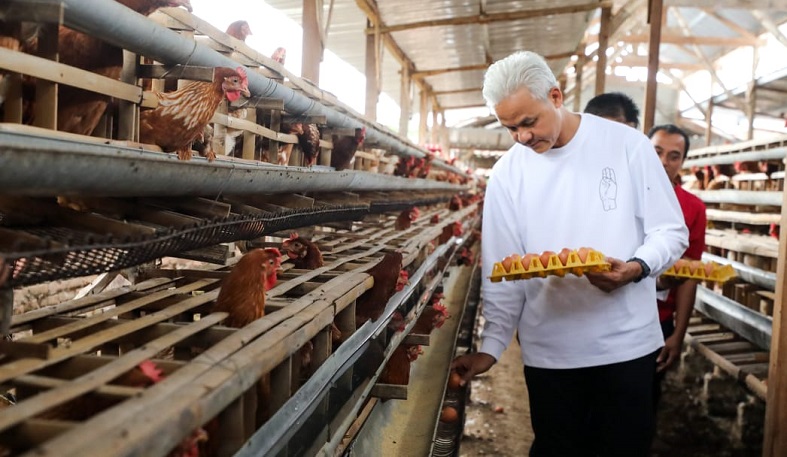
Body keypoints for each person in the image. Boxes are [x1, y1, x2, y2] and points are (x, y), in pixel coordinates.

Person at [451, 51, 689, 457]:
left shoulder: (626, 145)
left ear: (556, 96)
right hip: (550, 352)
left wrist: (636, 268)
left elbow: (670, 230)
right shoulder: (508, 173)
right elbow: (502, 267)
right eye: (510, 128)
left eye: (529, 122)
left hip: (626, 345)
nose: (522, 137)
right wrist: (491, 345)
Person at [648, 124, 707, 404]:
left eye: (674, 156)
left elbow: (689, 274)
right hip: (610, 313)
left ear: (683, 161)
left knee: (644, 400)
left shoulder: (693, 208)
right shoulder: (621, 196)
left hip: (658, 321)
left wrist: (678, 334)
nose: (664, 162)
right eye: (657, 152)